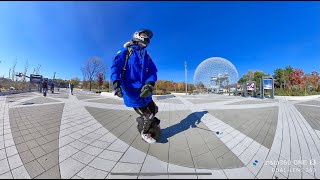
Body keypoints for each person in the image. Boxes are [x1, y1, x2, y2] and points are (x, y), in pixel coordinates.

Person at [110, 29, 159, 143]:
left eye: (148, 37)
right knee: (148, 116)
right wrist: (116, 83)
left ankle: (145, 121)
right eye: (145, 35)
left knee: (154, 109)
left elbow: (152, 71)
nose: (147, 38)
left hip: (145, 91)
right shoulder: (126, 52)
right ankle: (144, 133)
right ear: (137, 36)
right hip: (131, 92)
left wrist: (150, 83)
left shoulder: (146, 56)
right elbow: (115, 67)